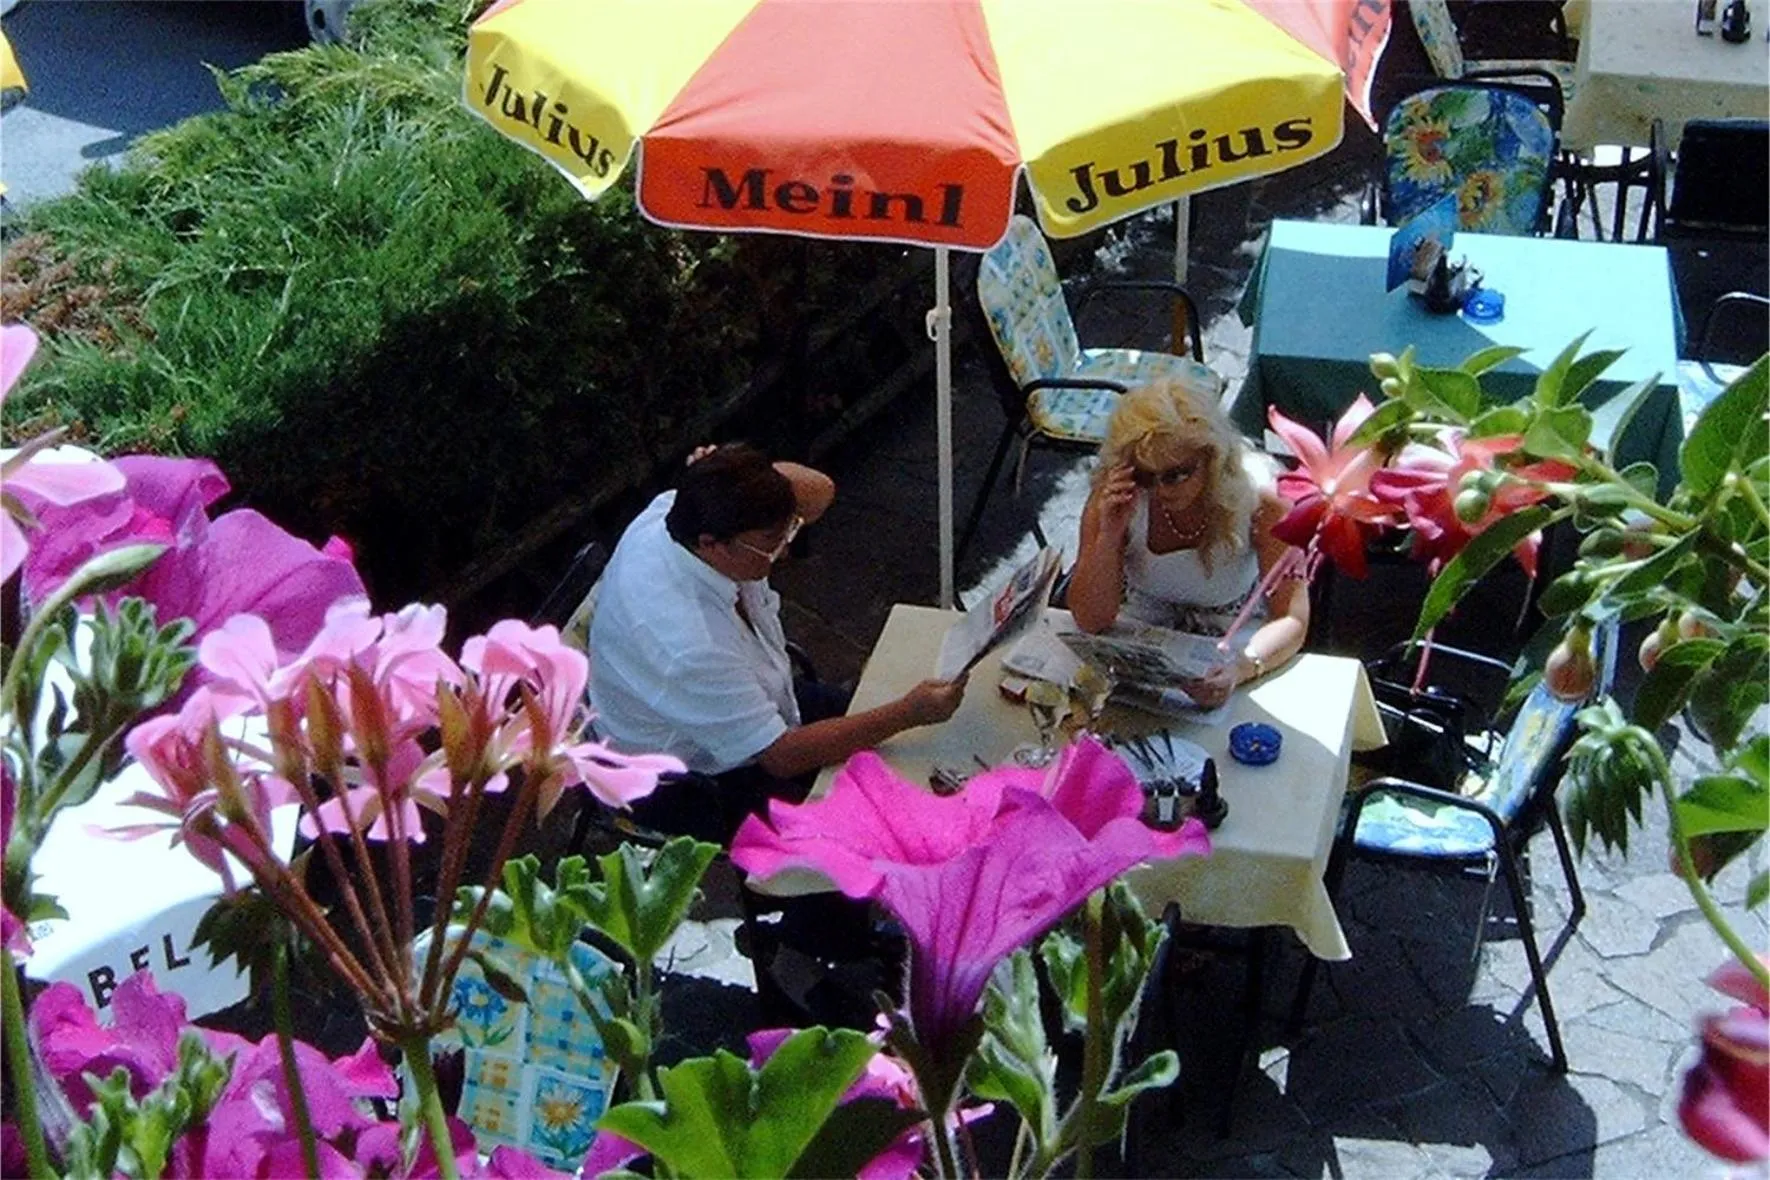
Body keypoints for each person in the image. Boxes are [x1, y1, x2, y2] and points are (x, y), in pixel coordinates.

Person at [589, 442, 968, 843]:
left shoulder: (683, 509)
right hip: (691, 779)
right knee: (837, 854)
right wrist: (908, 712)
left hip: (758, 695)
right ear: (711, 543)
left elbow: (819, 491)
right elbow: (782, 757)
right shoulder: (689, 646)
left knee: (907, 747)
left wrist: (748, 476)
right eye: (772, 540)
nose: (785, 549)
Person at [1066, 378, 1309, 708]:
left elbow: (1291, 618)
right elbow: (1090, 618)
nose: (1162, 490)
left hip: (1233, 638)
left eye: (1176, 474)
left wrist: (1240, 669)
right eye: (1145, 476)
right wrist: (1108, 536)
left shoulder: (1262, 499)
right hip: (1143, 632)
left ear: (1212, 458)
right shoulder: (1120, 496)